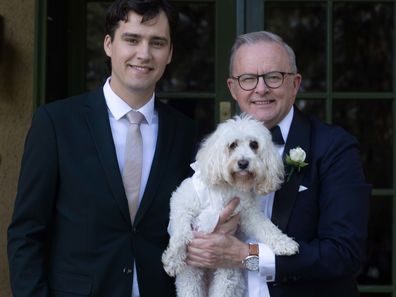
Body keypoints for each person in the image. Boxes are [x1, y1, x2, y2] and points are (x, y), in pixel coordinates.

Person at [7, 1, 197, 296]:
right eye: (132, 39)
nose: (144, 54)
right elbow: (26, 234)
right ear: (109, 44)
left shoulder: (185, 133)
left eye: (157, 43)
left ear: (170, 53)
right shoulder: (57, 123)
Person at [186, 31, 371, 297]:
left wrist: (247, 256)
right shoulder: (212, 153)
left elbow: (343, 254)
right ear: (233, 88)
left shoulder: (334, 147)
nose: (261, 89)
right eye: (248, 79)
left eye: (273, 77)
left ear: (294, 84)